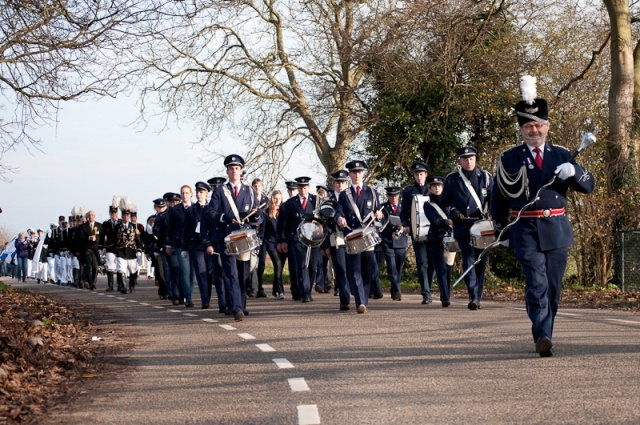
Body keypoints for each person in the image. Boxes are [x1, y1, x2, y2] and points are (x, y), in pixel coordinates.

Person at [491, 76, 595, 357]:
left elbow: (588, 186)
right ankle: (543, 336)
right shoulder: (508, 159)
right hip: (524, 229)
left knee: (552, 288)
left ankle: (546, 329)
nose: (533, 130)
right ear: (521, 129)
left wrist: (574, 172)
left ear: (547, 127)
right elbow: (498, 196)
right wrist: (500, 230)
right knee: (536, 284)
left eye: (538, 125)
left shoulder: (562, 154)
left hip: (557, 228)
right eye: (528, 126)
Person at [209, 154, 262, 321]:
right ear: (227, 171)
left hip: (244, 238)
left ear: (241, 170)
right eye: (231, 169)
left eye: (237, 168)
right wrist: (224, 217)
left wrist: (254, 216)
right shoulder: (219, 192)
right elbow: (211, 212)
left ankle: (241, 304)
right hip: (227, 238)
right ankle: (237, 308)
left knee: (243, 274)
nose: (234, 171)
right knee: (231, 273)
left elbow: (258, 216)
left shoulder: (250, 191)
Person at [442, 146, 493, 310]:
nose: (468, 161)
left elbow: (494, 200)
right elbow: (445, 203)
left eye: (471, 158)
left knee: (481, 262)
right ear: (460, 161)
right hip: (463, 225)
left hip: (483, 226)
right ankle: (472, 294)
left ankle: (478, 296)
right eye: (465, 159)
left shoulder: (485, 177)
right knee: (469, 259)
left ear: (475, 159)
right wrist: (453, 212)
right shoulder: (452, 179)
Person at [335, 160, 383, 314]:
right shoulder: (344, 195)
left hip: (368, 236)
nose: (356, 175)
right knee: (355, 271)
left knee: (367, 270)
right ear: (349, 175)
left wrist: (380, 215)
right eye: (353, 172)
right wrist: (340, 219)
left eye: (359, 172)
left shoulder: (372, 192)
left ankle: (363, 299)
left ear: (363, 174)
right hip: (352, 236)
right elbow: (338, 212)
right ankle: (360, 302)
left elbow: (379, 212)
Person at [279, 177, 318, 303]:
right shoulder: (291, 203)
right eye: (300, 188)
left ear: (308, 187)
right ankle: (305, 292)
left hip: (313, 238)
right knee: (302, 265)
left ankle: (308, 289)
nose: (302, 190)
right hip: (297, 238)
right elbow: (286, 223)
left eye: (304, 187)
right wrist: (283, 240)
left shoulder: (316, 201)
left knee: (313, 266)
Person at [401, 162, 435, 304]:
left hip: (433, 230)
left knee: (433, 262)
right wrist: (407, 225)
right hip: (417, 231)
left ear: (426, 175)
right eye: (416, 174)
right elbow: (404, 213)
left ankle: (428, 286)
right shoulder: (409, 191)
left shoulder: (434, 188)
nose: (419, 177)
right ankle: (426, 293)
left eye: (421, 174)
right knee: (421, 262)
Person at [183, 181, 213, 308]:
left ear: (207, 194)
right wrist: (184, 248)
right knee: (201, 272)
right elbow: (186, 229)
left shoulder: (212, 208)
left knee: (210, 273)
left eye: (201, 192)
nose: (199, 195)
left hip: (210, 245)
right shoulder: (191, 210)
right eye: (197, 192)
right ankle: (205, 300)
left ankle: (208, 297)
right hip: (196, 246)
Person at [423, 176, 452, 307]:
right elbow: (433, 220)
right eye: (434, 186)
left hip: (450, 237)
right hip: (435, 238)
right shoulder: (427, 204)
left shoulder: (450, 202)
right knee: (440, 269)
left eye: (439, 186)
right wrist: (446, 222)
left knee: (449, 268)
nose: (436, 188)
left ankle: (447, 293)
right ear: (429, 189)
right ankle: (445, 297)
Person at [166, 185, 196, 307]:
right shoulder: (175, 210)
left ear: (191, 194)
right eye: (182, 193)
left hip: (193, 243)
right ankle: (188, 298)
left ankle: (189, 294)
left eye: (186, 193)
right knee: (184, 270)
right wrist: (168, 244)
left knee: (192, 273)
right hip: (179, 244)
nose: (184, 195)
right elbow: (170, 228)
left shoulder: (196, 208)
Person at [380, 186, 408, 301]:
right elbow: (380, 223)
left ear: (399, 195)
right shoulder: (383, 207)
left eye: (395, 195)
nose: (393, 198)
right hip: (388, 240)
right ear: (387, 196)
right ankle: (397, 290)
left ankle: (394, 289)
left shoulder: (404, 206)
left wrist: (404, 227)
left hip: (401, 240)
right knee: (391, 267)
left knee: (398, 267)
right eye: (391, 196)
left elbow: (409, 220)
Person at [115, 197, 144, 294]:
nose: (125, 217)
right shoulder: (117, 226)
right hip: (121, 251)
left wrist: (139, 250)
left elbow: (137, 240)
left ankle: (132, 285)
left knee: (132, 270)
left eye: (127, 215)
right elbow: (114, 239)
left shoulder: (133, 227)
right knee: (121, 269)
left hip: (131, 251)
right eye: (124, 215)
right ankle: (123, 287)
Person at [251, 178, 270, 298]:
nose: (257, 188)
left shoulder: (266, 201)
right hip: (252, 235)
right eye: (255, 186)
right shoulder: (249, 199)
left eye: (259, 186)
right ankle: (251, 287)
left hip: (263, 234)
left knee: (261, 263)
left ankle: (260, 287)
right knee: (251, 263)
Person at [78, 210, 103, 290]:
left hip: (95, 249)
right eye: (89, 215)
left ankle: (94, 282)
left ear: (94, 216)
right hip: (87, 249)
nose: (91, 217)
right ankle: (90, 283)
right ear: (87, 217)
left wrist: (101, 245)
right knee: (88, 266)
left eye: (92, 215)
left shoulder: (99, 225)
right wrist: (89, 238)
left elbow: (101, 237)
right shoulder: (84, 226)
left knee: (95, 266)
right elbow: (81, 238)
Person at [101, 198, 121, 292]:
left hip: (119, 247)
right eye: (112, 213)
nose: (113, 215)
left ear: (117, 213)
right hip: (110, 247)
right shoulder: (105, 224)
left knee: (120, 266)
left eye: (115, 213)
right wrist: (102, 247)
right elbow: (102, 236)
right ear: (109, 213)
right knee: (110, 266)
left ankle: (120, 285)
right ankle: (110, 285)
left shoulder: (121, 223)